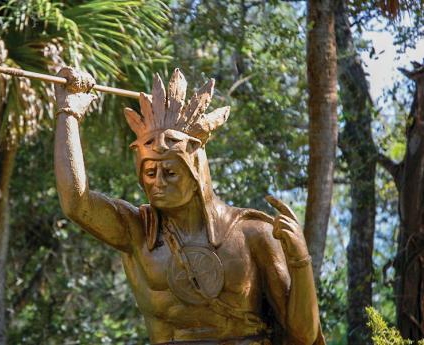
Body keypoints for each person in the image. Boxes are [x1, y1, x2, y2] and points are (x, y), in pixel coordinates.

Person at [54, 67, 324, 345]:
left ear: (196, 173)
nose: (157, 183)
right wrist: (68, 112)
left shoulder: (253, 235)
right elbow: (76, 202)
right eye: (149, 173)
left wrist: (301, 261)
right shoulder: (136, 230)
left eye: (170, 173)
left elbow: (303, 335)